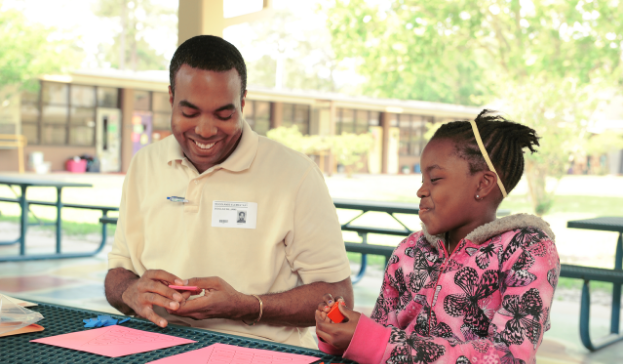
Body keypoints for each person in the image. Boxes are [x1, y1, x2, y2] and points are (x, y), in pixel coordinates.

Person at [104, 35, 353, 349]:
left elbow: (340, 297)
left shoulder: (295, 174)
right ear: (170, 98)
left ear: (243, 103)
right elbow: (117, 272)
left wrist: (247, 306)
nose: (206, 130)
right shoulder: (145, 164)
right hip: (154, 341)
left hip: (257, 349)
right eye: (190, 113)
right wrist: (131, 290)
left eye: (224, 115)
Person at [315, 110, 560, 363]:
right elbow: (379, 337)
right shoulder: (409, 251)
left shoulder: (526, 250)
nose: (421, 190)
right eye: (423, 179)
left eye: (435, 178)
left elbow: (507, 356)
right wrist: (341, 336)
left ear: (483, 184)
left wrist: (373, 341)